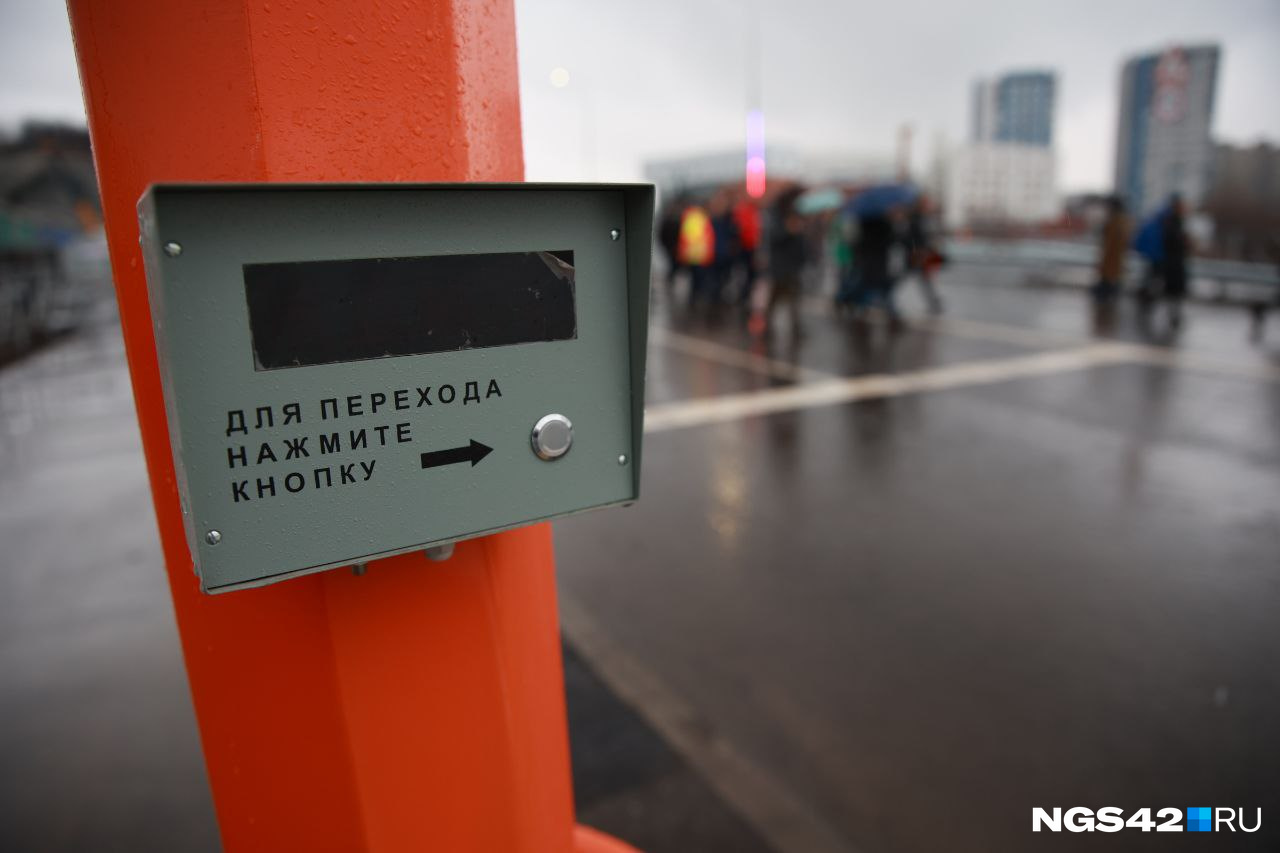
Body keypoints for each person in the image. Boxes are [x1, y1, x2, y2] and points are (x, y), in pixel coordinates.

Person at [764, 188, 806, 338]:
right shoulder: (775, 215)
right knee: (774, 298)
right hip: (780, 267)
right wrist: (788, 230)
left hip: (793, 266)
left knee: (794, 298)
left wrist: (802, 259)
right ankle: (766, 326)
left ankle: (796, 327)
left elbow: (800, 242)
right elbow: (773, 238)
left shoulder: (796, 214)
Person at [903, 196, 944, 313]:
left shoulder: (928, 218)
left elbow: (932, 237)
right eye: (927, 204)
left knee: (926, 278)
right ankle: (935, 302)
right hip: (919, 254)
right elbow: (911, 237)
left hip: (927, 254)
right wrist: (915, 249)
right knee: (920, 278)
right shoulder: (915, 219)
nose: (929, 207)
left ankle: (934, 302)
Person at [676, 201, 715, 306]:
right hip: (698, 255)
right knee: (697, 280)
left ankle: (694, 299)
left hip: (694, 255)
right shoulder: (700, 218)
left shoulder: (691, 217)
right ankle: (695, 299)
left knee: (695, 280)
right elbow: (705, 238)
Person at [1093, 196, 1130, 301]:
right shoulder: (1122, 221)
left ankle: (1106, 304)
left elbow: (1110, 243)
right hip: (1114, 262)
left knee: (1107, 288)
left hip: (1110, 261)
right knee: (1110, 285)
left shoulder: (1115, 222)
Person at [1160, 195, 1190, 328]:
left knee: (1174, 291)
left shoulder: (1176, 222)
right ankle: (1173, 315)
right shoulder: (1173, 223)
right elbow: (1172, 241)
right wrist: (1184, 242)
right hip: (1173, 262)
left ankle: (1174, 314)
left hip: (1174, 261)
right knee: (1174, 290)